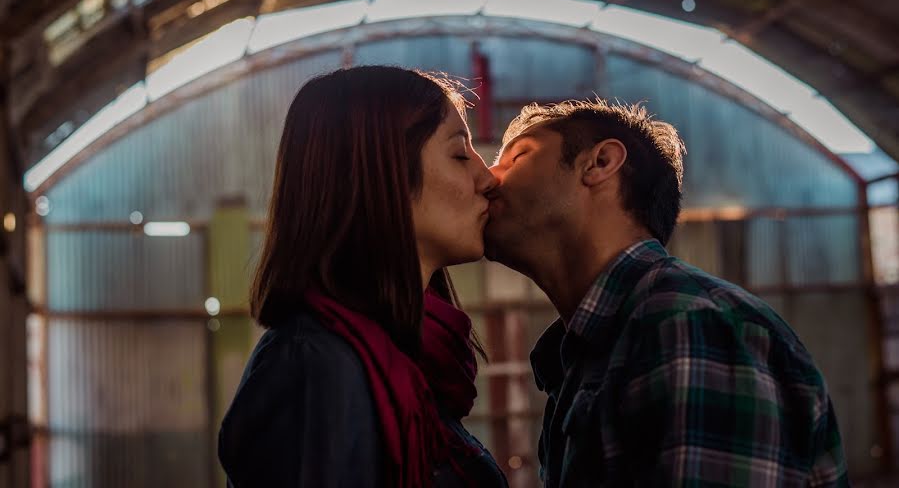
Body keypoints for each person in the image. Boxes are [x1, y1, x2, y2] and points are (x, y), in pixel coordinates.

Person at [483, 99, 848, 487]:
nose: (489, 178)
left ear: (601, 163)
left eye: (517, 157)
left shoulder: (691, 324)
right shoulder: (598, 347)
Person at [218, 66, 508, 488]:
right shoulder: (315, 368)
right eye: (460, 154)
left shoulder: (402, 357)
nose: (487, 179)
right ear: (381, 170)